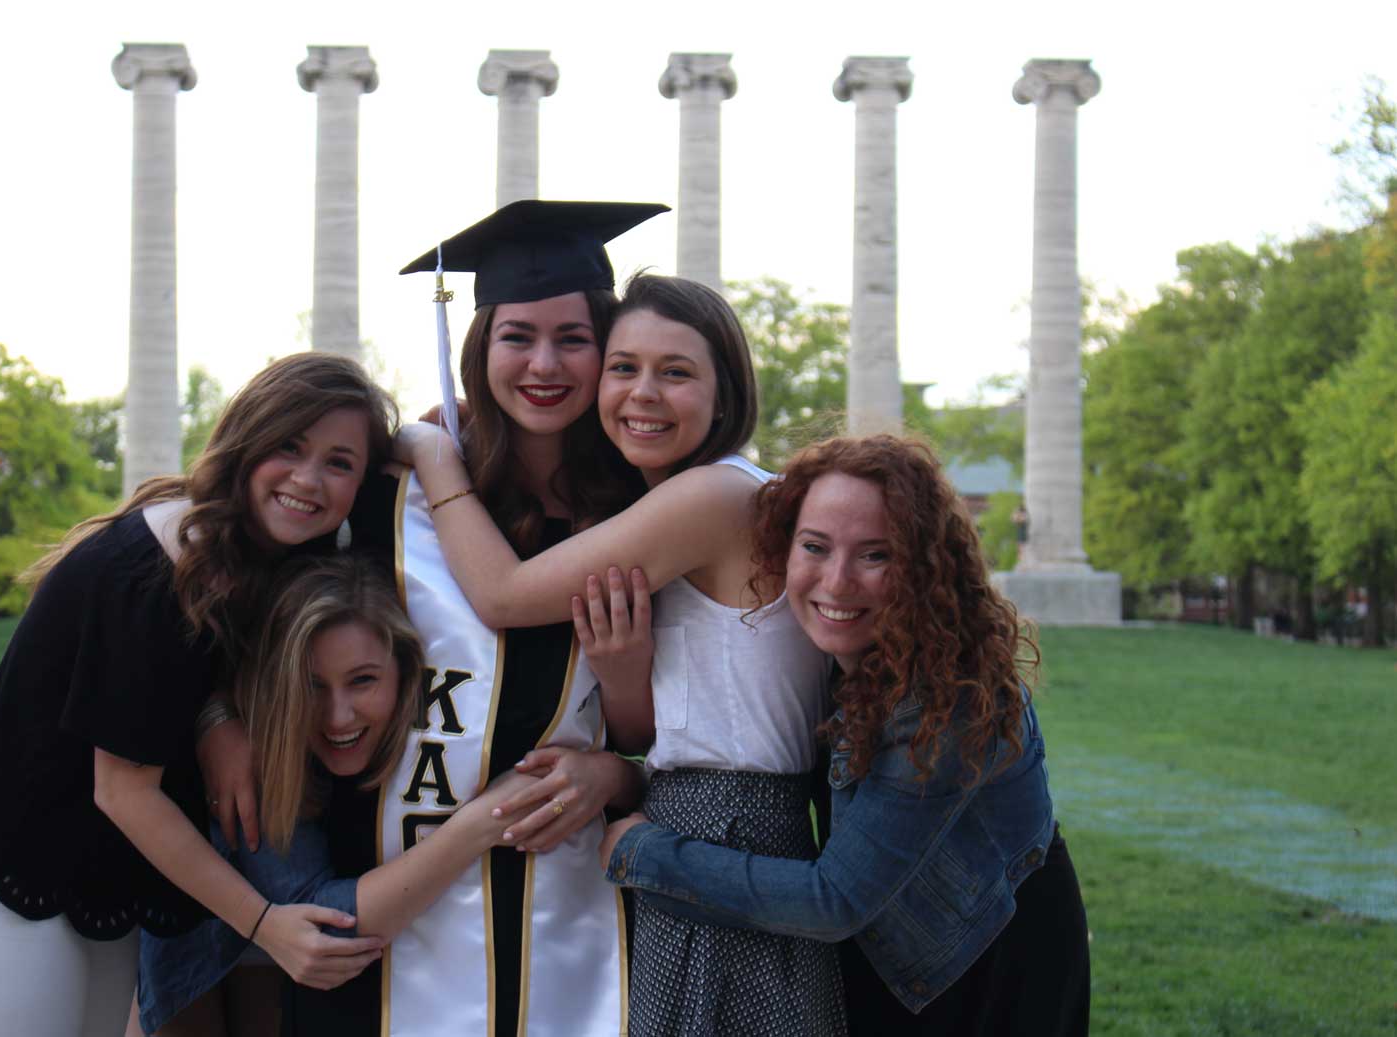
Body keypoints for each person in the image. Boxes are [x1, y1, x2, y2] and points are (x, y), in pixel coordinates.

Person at [198, 200, 665, 1036]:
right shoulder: (381, 494)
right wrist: (219, 714)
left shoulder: (638, 513)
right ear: (478, 345)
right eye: (517, 336)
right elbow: (237, 603)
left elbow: (658, 730)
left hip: (566, 914)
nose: (544, 364)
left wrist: (611, 773)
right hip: (378, 914)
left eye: (573, 338)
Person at [0, 353, 396, 1037]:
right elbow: (124, 792)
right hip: (1, 877)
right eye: (289, 446)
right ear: (247, 440)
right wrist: (265, 923)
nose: (308, 479)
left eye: (339, 462)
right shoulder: (161, 567)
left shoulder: (269, 558)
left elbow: (204, 673)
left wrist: (217, 713)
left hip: (99, 881)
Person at [398, 273, 844, 1036]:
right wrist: (623, 678)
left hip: (730, 841)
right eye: (624, 367)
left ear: (725, 393)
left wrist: (430, 453)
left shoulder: (715, 496)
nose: (643, 393)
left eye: (676, 372)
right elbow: (668, 727)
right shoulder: (675, 500)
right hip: (687, 827)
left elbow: (503, 595)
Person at [599, 435, 1092, 1036]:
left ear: (924, 567)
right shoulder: (837, 655)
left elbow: (833, 901)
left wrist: (639, 852)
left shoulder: (946, 699)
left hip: (983, 960)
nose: (837, 582)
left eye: (875, 555)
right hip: (884, 946)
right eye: (815, 546)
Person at [134, 556, 544, 1036]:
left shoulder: (431, 734)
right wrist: (480, 824)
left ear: (406, 668)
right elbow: (320, 926)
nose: (337, 716)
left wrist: (609, 773)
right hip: (206, 970)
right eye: (310, 686)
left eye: (362, 680)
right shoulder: (259, 752)